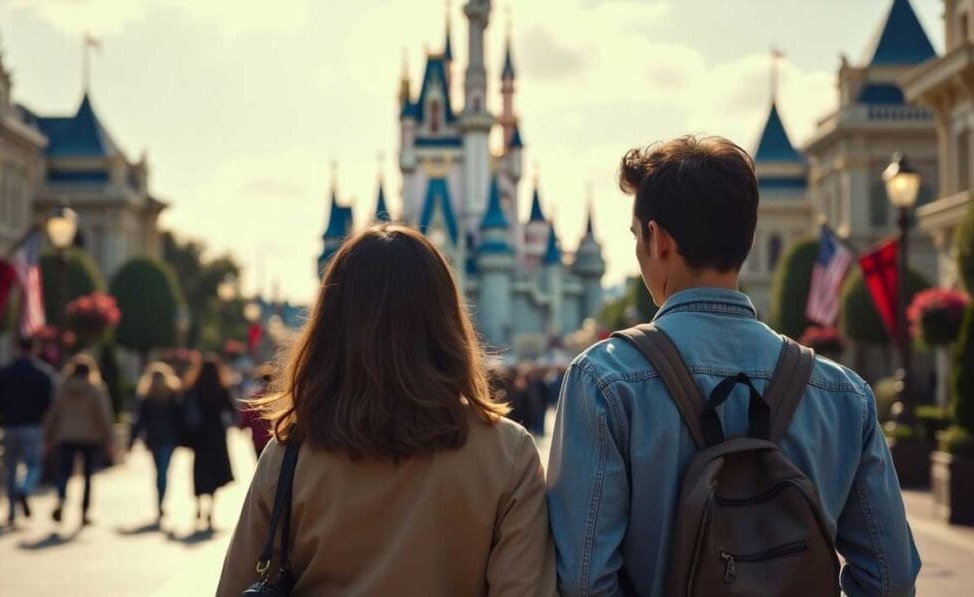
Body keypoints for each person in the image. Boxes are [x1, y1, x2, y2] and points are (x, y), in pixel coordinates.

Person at [547, 136, 920, 596]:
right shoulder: (842, 394)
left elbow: (584, 583)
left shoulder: (605, 382)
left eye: (637, 237)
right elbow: (891, 577)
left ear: (658, 240)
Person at [217, 224, 555, 596]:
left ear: (330, 326)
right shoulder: (507, 454)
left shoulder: (290, 457)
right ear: (447, 320)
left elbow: (236, 586)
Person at [0, 337, 55, 525]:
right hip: (33, 426)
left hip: (9, 425)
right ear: (34, 348)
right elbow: (50, 403)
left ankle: (11, 511)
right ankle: (24, 489)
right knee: (33, 466)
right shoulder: (43, 373)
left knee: (10, 469)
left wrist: (5, 411)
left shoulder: (4, 372)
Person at [44, 354, 114, 526]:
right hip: (90, 438)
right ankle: (84, 512)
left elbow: (53, 414)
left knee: (64, 473)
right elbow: (104, 416)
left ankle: (61, 499)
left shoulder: (62, 388)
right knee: (87, 476)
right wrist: (109, 439)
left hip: (65, 436)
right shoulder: (95, 389)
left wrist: (48, 436)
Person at [128, 361, 183, 524]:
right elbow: (180, 419)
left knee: (158, 471)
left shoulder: (147, 396)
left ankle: (159, 503)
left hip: (153, 438)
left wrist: (132, 440)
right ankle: (161, 501)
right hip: (169, 438)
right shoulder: (173, 394)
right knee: (164, 471)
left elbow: (138, 421)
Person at [185, 356, 234, 530]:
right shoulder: (221, 388)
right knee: (215, 473)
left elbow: (184, 409)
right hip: (216, 435)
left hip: (199, 436)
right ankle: (211, 511)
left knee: (200, 471)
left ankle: (198, 506)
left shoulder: (195, 388)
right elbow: (231, 410)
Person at [237, 364, 273, 459]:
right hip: (275, 439)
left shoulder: (256, 398)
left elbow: (247, 415)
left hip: (259, 439)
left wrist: (242, 426)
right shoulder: (281, 398)